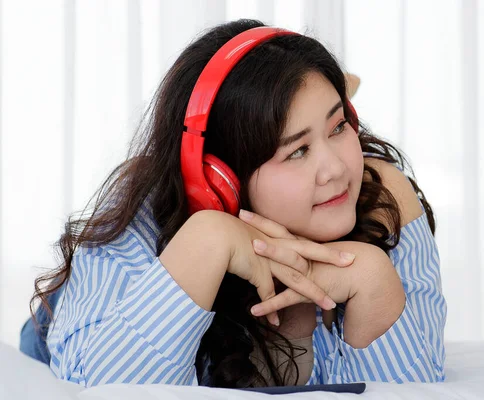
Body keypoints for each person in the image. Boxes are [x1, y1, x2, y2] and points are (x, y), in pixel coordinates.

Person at [24, 18, 447, 388]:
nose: (335, 169)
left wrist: (374, 279)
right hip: (76, 315)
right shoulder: (141, 214)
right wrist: (208, 240)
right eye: (296, 151)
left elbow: (419, 380)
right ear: (221, 180)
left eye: (338, 126)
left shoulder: (382, 198)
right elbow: (97, 384)